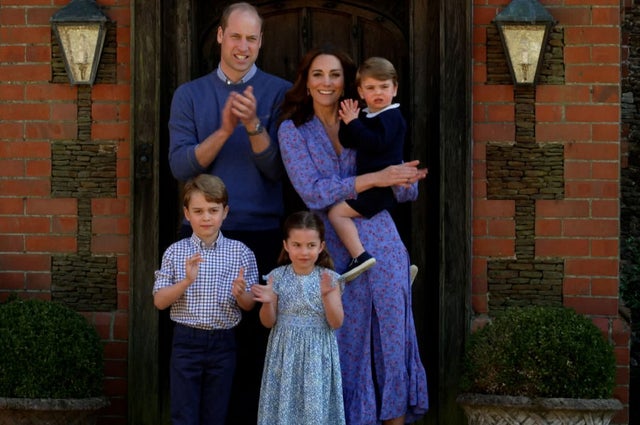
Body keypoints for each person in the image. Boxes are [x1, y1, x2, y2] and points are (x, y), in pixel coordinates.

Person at [277, 46, 429, 425]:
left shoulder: (370, 116)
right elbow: (312, 191)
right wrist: (376, 179)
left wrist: (404, 180)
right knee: (344, 342)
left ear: (349, 84)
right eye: (318, 74)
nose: (326, 82)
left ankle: (395, 419)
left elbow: (402, 185)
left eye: (334, 75)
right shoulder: (292, 130)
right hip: (330, 246)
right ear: (306, 82)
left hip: (382, 236)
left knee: (393, 338)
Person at [167, 3, 292, 423]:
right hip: (201, 236)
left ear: (261, 42)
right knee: (197, 351)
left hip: (259, 233)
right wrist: (223, 130)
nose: (243, 46)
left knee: (253, 349)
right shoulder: (190, 94)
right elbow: (181, 167)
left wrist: (254, 124)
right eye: (235, 36)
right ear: (220, 36)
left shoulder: (280, 93)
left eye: (251, 38)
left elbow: (278, 171)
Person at [152, 174, 259, 425]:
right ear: (187, 214)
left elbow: (249, 305)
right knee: (183, 413)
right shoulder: (176, 252)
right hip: (186, 341)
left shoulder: (240, 252)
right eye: (198, 211)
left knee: (216, 413)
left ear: (225, 212)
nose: (206, 217)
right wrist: (186, 281)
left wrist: (240, 293)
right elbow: (159, 301)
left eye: (213, 210)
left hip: (223, 342)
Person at [251, 211, 345, 425]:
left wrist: (328, 296)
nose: (304, 252)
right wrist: (267, 301)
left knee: (314, 410)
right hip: (285, 354)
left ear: (321, 246)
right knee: (285, 407)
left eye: (311, 245)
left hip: (317, 354)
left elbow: (336, 322)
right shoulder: (277, 277)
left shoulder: (329, 279)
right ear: (286, 245)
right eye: (297, 245)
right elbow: (268, 322)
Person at [329, 57, 406, 282]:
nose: (378, 93)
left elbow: (375, 143)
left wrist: (354, 123)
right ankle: (395, 267)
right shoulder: (367, 115)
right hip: (370, 185)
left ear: (395, 89)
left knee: (337, 213)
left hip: (380, 188)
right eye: (371, 88)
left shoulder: (392, 116)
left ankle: (359, 256)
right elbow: (348, 141)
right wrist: (347, 121)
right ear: (361, 92)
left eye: (384, 87)